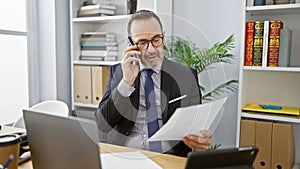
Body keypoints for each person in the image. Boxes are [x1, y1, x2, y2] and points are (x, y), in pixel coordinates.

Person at [95, 10, 212, 157]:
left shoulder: (186, 76)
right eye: (142, 42)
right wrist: (127, 82)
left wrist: (199, 141)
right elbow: (102, 124)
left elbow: (195, 127)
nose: (151, 50)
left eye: (156, 40)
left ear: (163, 36)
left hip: (169, 157)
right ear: (131, 43)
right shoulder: (119, 72)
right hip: (126, 154)